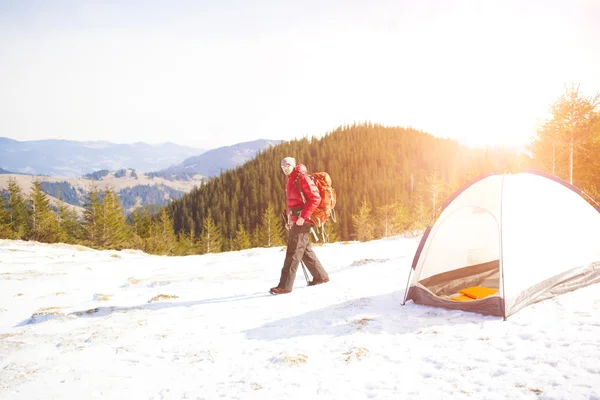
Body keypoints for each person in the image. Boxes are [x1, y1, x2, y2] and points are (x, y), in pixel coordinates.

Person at [269, 157, 330, 295]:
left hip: (303, 221)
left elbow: (315, 198)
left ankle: (285, 286)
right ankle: (321, 276)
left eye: (288, 165)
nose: (285, 168)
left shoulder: (302, 178)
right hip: (296, 220)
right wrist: (289, 220)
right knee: (304, 250)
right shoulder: (290, 179)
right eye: (283, 166)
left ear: (294, 165)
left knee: (293, 252)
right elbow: (292, 203)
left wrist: (303, 217)